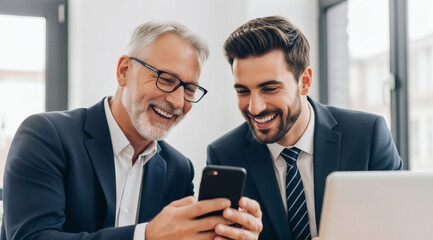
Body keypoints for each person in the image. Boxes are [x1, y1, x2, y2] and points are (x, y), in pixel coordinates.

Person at [2, 20, 262, 240]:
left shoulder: (178, 169)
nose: (177, 101)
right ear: (124, 71)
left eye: (190, 89)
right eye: (166, 79)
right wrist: (145, 235)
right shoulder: (45, 136)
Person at [207, 16, 402, 240]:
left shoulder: (368, 136)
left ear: (305, 81)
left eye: (269, 88)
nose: (254, 107)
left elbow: (401, 229)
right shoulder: (224, 156)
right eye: (242, 91)